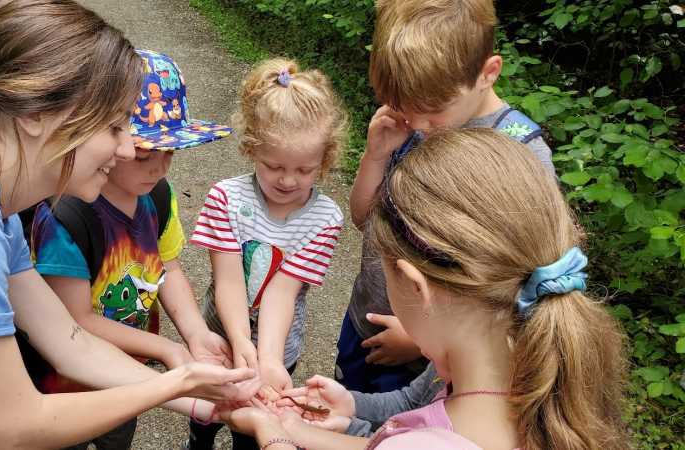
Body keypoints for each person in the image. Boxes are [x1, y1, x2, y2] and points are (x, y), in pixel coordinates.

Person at [0, 1, 257, 448]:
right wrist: (173, 384)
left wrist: (202, 398)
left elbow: (68, 339)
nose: (124, 151)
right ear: (36, 113)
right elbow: (10, 425)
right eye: (114, 126)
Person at [219, 128, 629, 450]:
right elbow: (412, 429)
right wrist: (342, 417)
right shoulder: (535, 360)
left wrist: (272, 434)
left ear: (417, 288)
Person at [337, 0, 556, 396]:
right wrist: (376, 156)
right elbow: (363, 219)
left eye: (432, 110)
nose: (417, 124)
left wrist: (417, 337)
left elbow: (525, 286)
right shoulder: (414, 123)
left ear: (488, 73)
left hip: (433, 359)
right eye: (404, 106)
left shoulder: (519, 154)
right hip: (363, 318)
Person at [24, 49, 235, 449]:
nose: (159, 168)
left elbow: (168, 267)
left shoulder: (157, 195)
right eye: (144, 154)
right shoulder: (65, 215)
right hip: (62, 384)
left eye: (170, 151)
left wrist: (195, 333)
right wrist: (168, 349)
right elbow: (76, 319)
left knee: (117, 437)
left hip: (127, 368)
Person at [186, 57, 346, 449]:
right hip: (222, 336)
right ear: (251, 147)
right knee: (207, 416)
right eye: (274, 166)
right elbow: (228, 279)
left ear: (324, 160)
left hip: (280, 345)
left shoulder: (325, 218)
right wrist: (241, 342)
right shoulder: (226, 197)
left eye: (305, 170)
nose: (289, 180)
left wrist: (269, 359)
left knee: (257, 425)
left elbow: (282, 291)